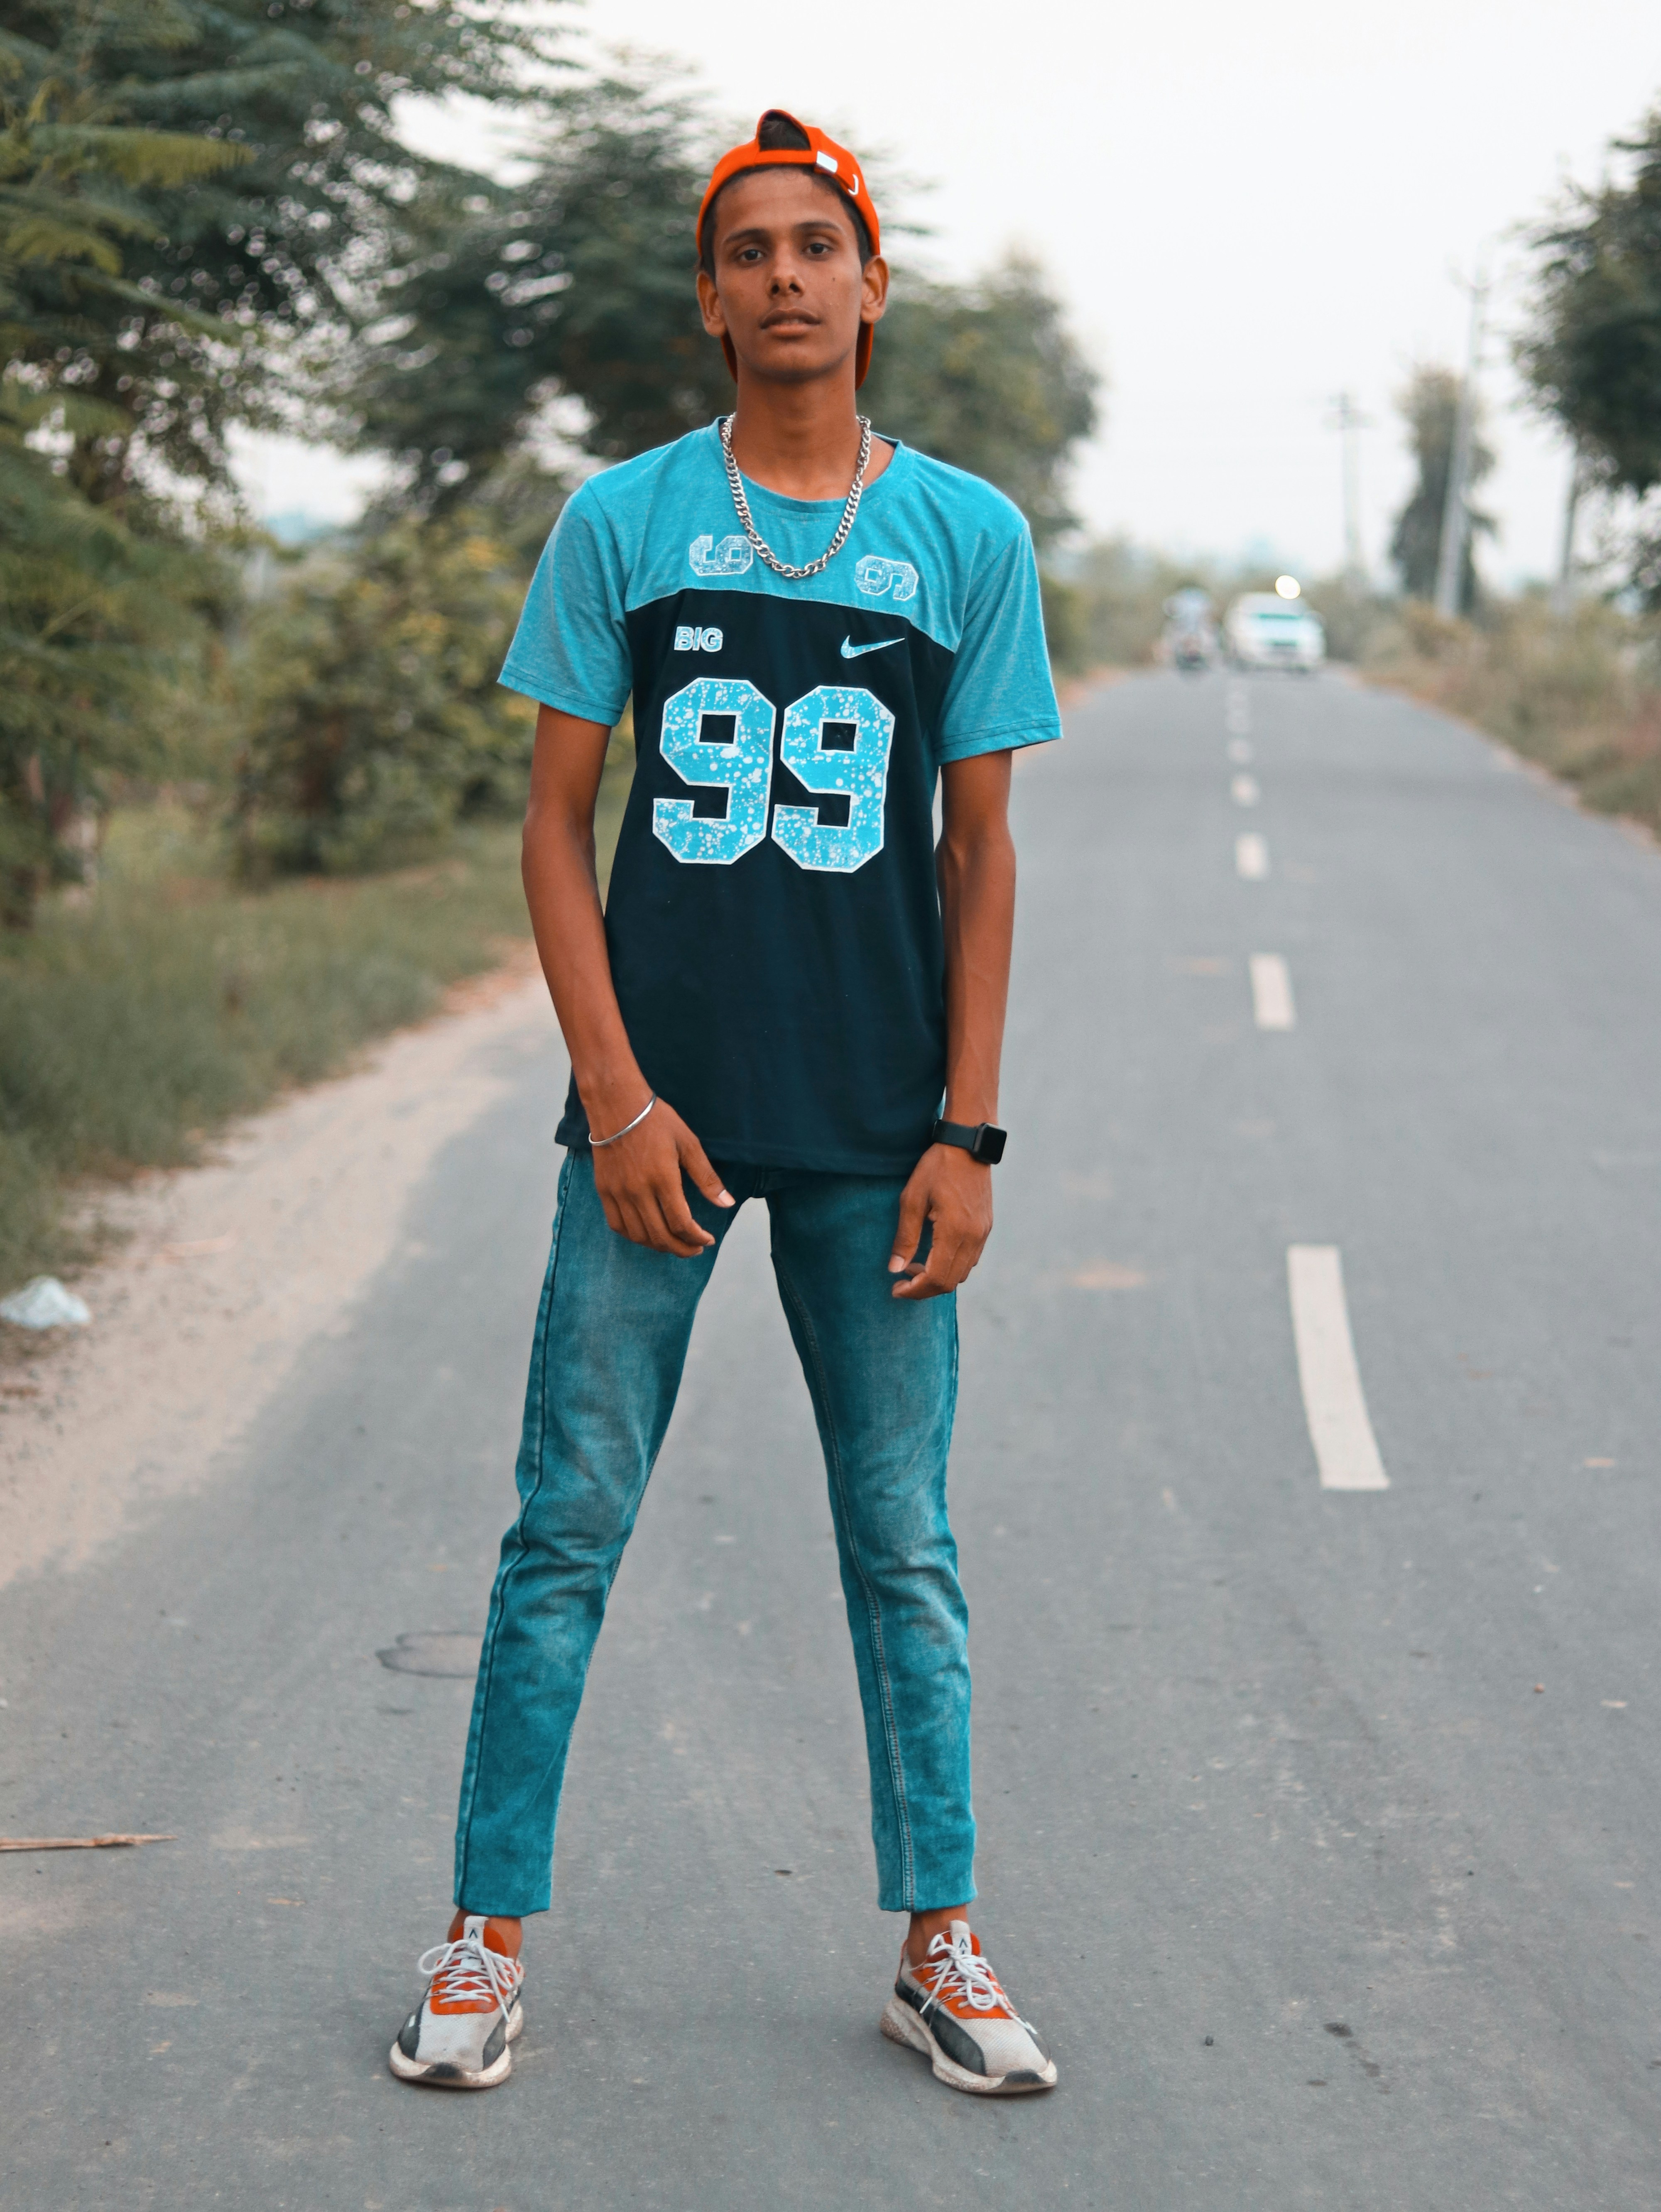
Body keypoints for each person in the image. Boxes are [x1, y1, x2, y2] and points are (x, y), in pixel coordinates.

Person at [388, 108, 1062, 2099]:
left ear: (870, 285)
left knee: (901, 1542)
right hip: (655, 1127)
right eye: (747, 249)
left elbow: (984, 853)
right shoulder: (624, 520)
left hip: (876, 1128)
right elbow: (550, 819)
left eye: (814, 246)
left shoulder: (965, 537)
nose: (783, 276)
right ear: (709, 296)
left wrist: (969, 1128)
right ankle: (481, 1937)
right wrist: (611, 1098)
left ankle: (937, 1939)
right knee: (565, 1528)